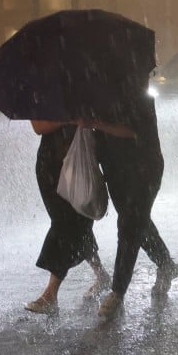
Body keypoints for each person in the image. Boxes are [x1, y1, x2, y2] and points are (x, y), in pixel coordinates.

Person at [91, 75, 178, 319]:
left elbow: (134, 130)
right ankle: (166, 264)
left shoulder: (139, 93)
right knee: (138, 224)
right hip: (115, 171)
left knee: (129, 224)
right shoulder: (94, 93)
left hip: (144, 168)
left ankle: (117, 292)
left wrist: (96, 123)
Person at [24, 120, 110, 315]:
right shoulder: (42, 92)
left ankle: (50, 294)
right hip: (51, 166)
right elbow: (39, 127)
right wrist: (71, 118)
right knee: (70, 224)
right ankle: (101, 275)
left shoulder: (80, 90)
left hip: (79, 161)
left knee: (70, 224)